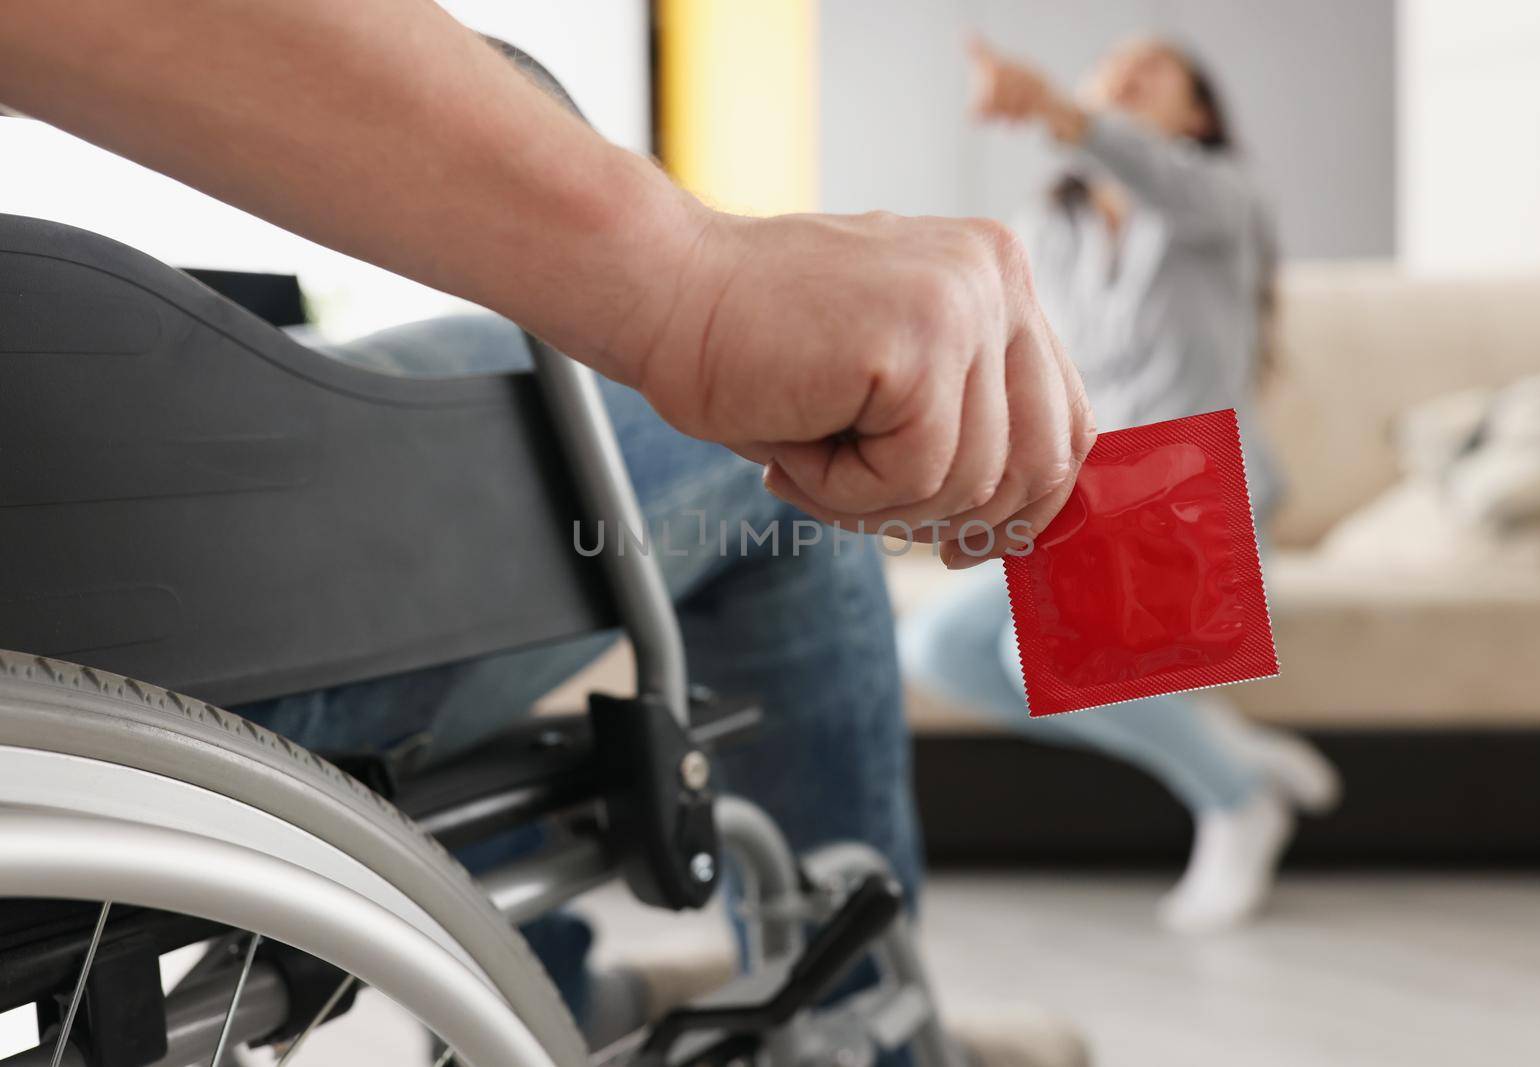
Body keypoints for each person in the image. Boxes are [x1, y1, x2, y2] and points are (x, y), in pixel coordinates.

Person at [0, 3, 1095, 1064]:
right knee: (771, 457)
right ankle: (865, 1030)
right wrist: (691, 284)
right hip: (95, 649)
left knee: (472, 466)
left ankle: (575, 1002)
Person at [900, 37, 1341, 934]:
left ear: (1198, 116)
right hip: (1085, 498)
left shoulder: (1219, 199)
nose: (1123, 78)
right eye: (1111, 71)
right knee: (940, 648)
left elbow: (1148, 169)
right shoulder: (1045, 224)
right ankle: (1225, 749)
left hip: (1193, 491)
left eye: (1153, 73)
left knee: (1043, 652)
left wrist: (1063, 109)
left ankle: (1234, 799)